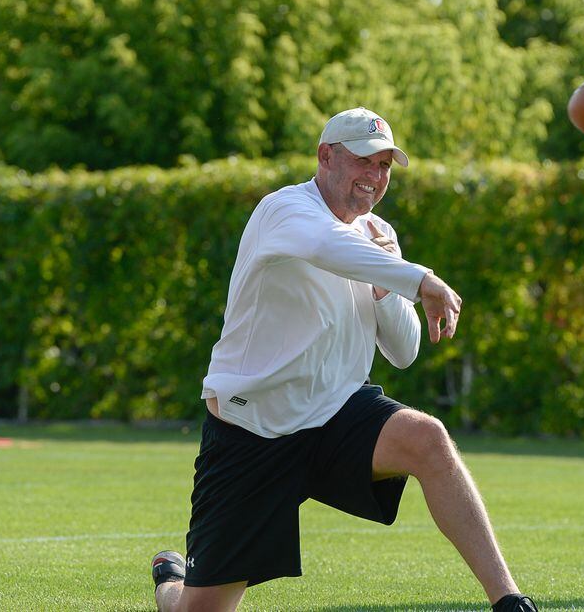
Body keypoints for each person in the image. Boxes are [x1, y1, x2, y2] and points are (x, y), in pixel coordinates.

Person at [148, 107, 537, 612]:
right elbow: (325, 245)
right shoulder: (284, 210)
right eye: (363, 162)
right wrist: (418, 279)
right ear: (325, 156)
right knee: (200, 611)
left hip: (335, 415)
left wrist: (386, 287)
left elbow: (403, 351)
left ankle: (509, 601)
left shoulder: (379, 236)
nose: (374, 178)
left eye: (385, 167)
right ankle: (171, 588)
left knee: (428, 438)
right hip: (252, 427)